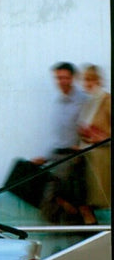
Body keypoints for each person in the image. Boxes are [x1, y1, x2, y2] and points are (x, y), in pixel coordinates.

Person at [31, 62, 89, 222]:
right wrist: (45, 157)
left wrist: (82, 149)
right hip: (58, 156)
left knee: (54, 198)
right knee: (45, 198)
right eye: (58, 78)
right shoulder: (58, 101)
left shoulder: (84, 100)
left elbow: (91, 129)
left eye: (65, 77)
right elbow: (59, 137)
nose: (61, 81)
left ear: (72, 78)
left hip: (74, 159)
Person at [77, 64, 111, 221]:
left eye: (91, 79)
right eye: (85, 80)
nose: (87, 83)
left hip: (102, 157)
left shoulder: (106, 101)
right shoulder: (89, 102)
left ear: (99, 80)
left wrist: (102, 138)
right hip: (88, 155)